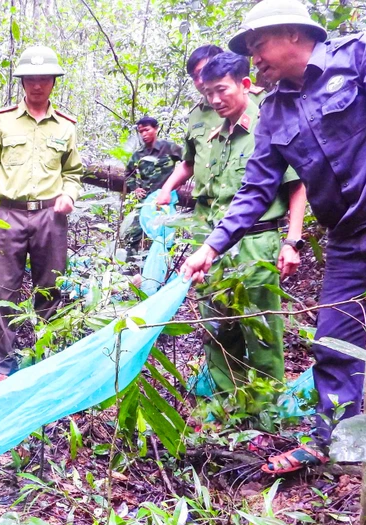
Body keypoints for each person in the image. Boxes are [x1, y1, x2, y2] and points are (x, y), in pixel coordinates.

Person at [180, 0, 366, 472]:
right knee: (333, 342)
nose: (254, 57)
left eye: (258, 45)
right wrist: (211, 245)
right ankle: (334, 445)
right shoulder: (273, 112)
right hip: (346, 238)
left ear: (294, 35)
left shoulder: (362, 55)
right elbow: (256, 189)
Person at [156, 51, 307, 398]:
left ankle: (266, 410)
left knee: (262, 330)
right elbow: (200, 176)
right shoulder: (215, 131)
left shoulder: (267, 122)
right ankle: (227, 403)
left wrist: (292, 240)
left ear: (244, 85)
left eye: (221, 90)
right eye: (208, 92)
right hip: (213, 244)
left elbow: (296, 184)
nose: (214, 99)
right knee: (218, 328)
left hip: (256, 245)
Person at [0, 46, 84, 379]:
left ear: (53, 82)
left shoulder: (66, 126)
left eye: (44, 79)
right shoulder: (2, 122)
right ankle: (5, 363)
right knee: (3, 290)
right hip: (7, 215)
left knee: (49, 289)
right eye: (31, 79)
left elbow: (73, 172)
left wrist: (69, 196)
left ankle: (43, 361)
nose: (37, 85)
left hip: (50, 216)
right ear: (22, 82)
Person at [121, 117, 181, 247]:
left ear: (156, 129)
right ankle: (130, 263)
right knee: (134, 234)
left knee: (165, 234)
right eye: (140, 131)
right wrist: (135, 188)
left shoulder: (169, 147)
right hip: (146, 200)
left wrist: (179, 183)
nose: (144, 134)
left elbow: (189, 161)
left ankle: (164, 264)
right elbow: (128, 173)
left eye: (147, 130)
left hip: (165, 200)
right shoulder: (138, 154)